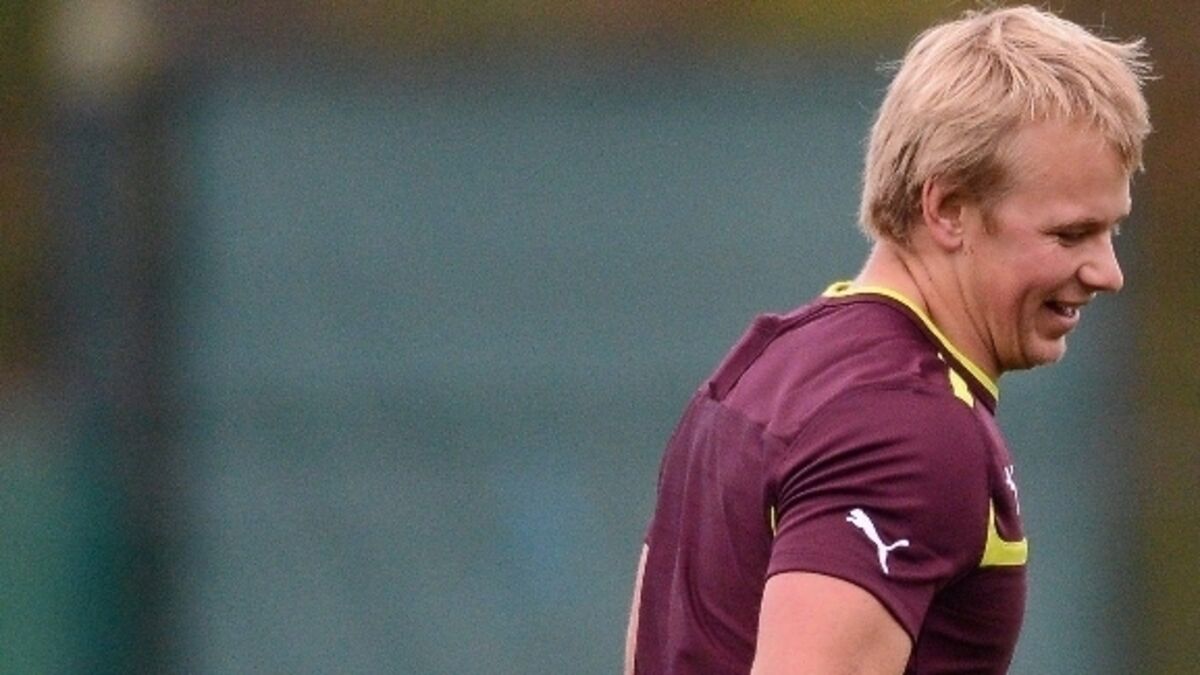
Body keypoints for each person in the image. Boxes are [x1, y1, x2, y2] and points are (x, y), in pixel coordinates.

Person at [624, 6, 1151, 674]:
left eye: (1112, 230)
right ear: (948, 209)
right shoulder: (909, 430)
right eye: (1070, 234)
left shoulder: (759, 367)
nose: (1108, 272)